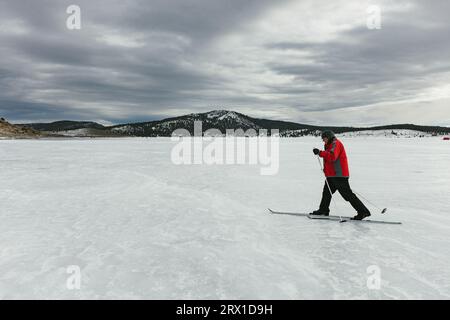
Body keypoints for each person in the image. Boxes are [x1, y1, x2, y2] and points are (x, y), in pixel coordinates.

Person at [311, 130, 371, 220]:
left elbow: (332, 156)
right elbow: (329, 160)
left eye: (324, 139)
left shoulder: (336, 143)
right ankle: (323, 210)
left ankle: (363, 212)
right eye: (323, 139)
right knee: (326, 193)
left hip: (339, 175)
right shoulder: (328, 145)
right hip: (332, 175)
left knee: (347, 195)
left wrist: (320, 153)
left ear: (329, 137)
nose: (323, 141)